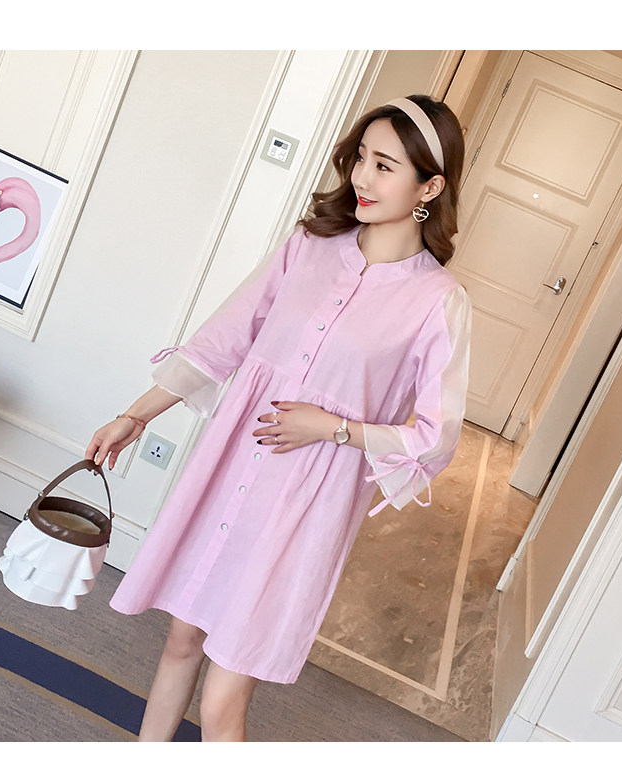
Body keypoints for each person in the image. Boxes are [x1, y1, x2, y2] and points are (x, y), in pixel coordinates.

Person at [86, 94, 472, 742]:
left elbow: (435, 438)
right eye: (361, 158)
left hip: (306, 503)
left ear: (429, 187)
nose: (363, 177)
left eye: (385, 166)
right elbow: (222, 341)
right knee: (180, 641)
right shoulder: (309, 246)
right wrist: (135, 416)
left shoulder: (439, 301)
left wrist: (334, 427)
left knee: (223, 699)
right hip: (232, 467)